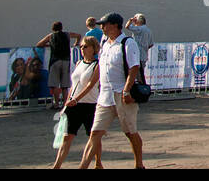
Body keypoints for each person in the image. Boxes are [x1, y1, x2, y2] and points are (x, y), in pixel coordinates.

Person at [79, 12, 144, 169]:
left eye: (105, 24)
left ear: (115, 25)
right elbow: (100, 68)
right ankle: (83, 167)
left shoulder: (127, 43)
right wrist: (89, 86)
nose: (102, 27)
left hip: (121, 94)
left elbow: (134, 67)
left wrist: (127, 91)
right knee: (95, 133)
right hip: (104, 96)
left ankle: (139, 164)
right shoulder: (105, 45)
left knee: (130, 132)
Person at [53, 36, 101, 169]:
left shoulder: (97, 65)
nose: (82, 49)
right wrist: (67, 103)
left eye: (85, 46)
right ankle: (56, 166)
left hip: (89, 105)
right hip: (73, 105)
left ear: (93, 48)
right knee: (67, 137)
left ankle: (98, 163)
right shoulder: (79, 63)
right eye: (81, 47)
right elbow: (73, 86)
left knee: (93, 136)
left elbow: (91, 85)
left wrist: (77, 99)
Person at [35, 22, 77, 110]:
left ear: (53, 28)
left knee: (54, 85)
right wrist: (75, 43)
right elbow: (78, 35)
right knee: (65, 85)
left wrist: (49, 45)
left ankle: (56, 103)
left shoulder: (51, 36)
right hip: (66, 60)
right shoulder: (67, 34)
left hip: (55, 61)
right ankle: (65, 104)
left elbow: (39, 44)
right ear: (61, 27)